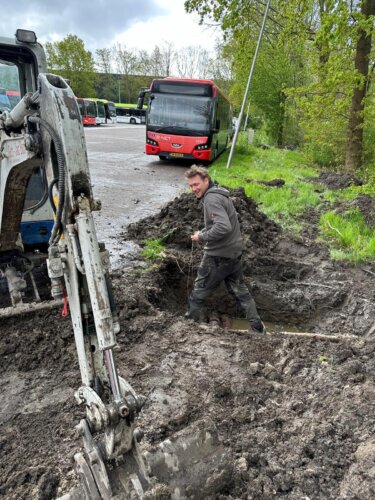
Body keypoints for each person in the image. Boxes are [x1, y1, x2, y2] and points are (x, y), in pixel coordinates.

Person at [184, 164, 265, 334]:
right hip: (233, 254)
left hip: (218, 257)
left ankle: (186, 328)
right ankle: (258, 328)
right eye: (191, 186)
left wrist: (201, 237)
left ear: (206, 180)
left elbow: (223, 226)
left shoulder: (211, 199)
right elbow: (220, 223)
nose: (194, 189)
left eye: (196, 184)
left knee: (198, 293)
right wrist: (204, 231)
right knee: (241, 292)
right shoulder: (220, 194)